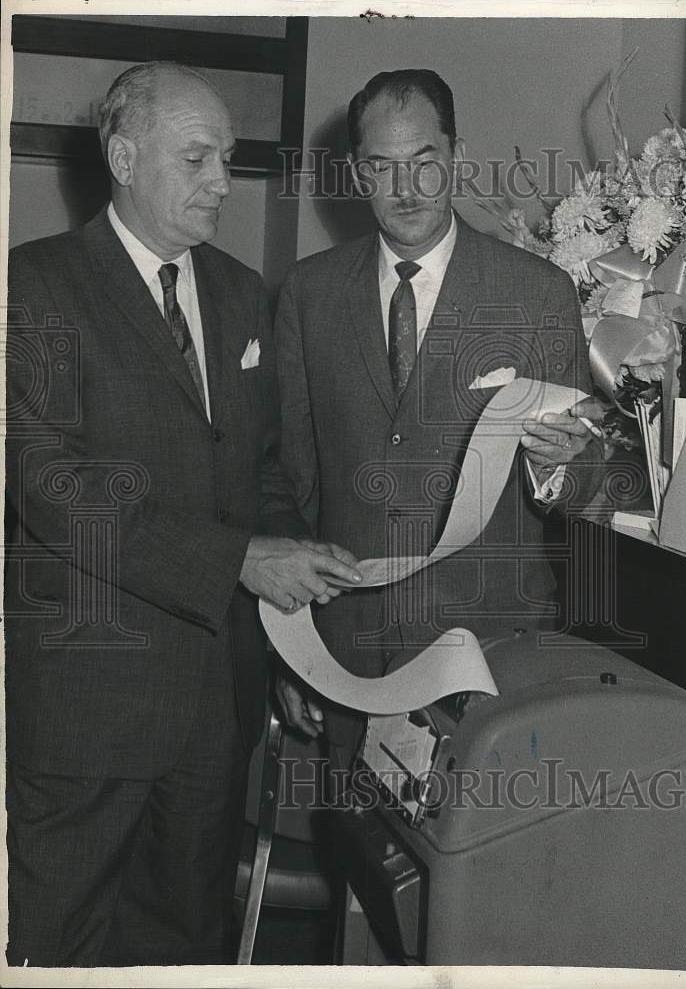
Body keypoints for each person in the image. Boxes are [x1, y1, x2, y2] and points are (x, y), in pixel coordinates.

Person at [3, 61, 361, 967]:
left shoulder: (242, 293)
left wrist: (292, 597)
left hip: (214, 708)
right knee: (60, 949)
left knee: (182, 953)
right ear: (124, 159)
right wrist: (237, 559)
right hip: (87, 705)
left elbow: (262, 472)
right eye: (196, 158)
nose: (221, 181)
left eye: (227, 158)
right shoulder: (32, 286)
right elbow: (53, 486)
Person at [274, 69, 604, 770]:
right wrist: (290, 642)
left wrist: (559, 466)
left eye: (424, 161)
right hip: (347, 651)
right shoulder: (308, 294)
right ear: (356, 174)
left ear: (456, 156)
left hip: (487, 650)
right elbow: (290, 482)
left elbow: (584, 484)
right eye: (381, 166)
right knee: (356, 836)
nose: (406, 189)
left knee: (478, 843)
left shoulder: (537, 293)